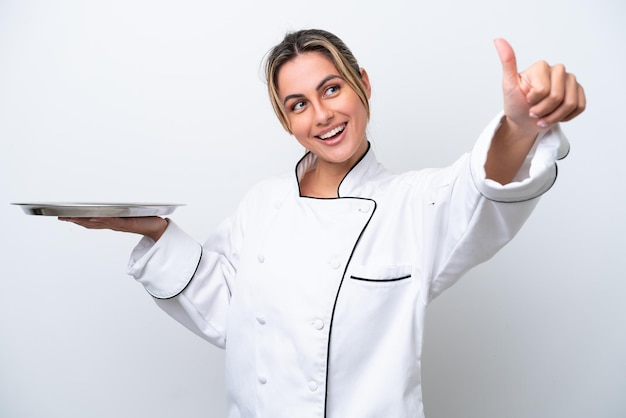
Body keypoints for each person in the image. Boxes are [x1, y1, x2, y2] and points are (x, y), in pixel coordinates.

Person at [60, 29, 585, 418]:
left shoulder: (412, 202)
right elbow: (233, 319)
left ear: (363, 83)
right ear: (287, 122)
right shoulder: (262, 203)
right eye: (298, 105)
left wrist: (520, 126)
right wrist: (156, 233)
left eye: (332, 89)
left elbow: (479, 191)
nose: (321, 115)